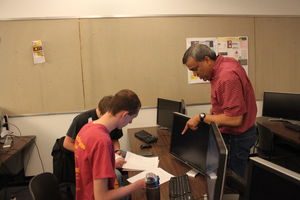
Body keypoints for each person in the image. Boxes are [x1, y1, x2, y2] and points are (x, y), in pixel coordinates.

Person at [182, 44, 257, 177]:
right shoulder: (224, 63)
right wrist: (214, 111)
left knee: (233, 180)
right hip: (237, 134)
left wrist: (201, 117)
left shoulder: (226, 77)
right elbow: (226, 101)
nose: (195, 74)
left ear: (206, 60)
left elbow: (235, 119)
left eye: (195, 69)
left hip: (237, 138)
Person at [74, 89, 145, 200]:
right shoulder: (102, 141)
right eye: (132, 118)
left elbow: (89, 165)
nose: (130, 122)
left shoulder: (87, 128)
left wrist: (110, 164)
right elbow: (101, 197)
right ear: (124, 115)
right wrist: (137, 185)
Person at [63, 95, 126, 186]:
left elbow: (115, 138)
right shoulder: (81, 120)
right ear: (100, 111)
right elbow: (67, 143)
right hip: (89, 157)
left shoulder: (114, 119)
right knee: (117, 174)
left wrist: (117, 151)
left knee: (127, 157)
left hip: (107, 152)